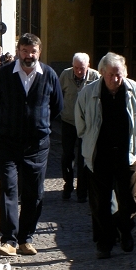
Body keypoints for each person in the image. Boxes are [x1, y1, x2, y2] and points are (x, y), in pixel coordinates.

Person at [0, 33, 63, 257]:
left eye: (33, 52)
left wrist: (40, 123)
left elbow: (57, 105)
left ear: (39, 52)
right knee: (8, 189)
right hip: (8, 142)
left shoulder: (48, 74)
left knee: (34, 192)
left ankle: (26, 238)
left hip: (37, 144)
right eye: (25, 51)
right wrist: (0, 128)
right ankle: (8, 239)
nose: (29, 56)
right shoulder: (4, 74)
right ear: (18, 51)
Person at [75, 52, 136, 259]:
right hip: (99, 153)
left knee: (131, 199)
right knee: (100, 202)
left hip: (128, 153)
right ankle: (104, 242)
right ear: (102, 73)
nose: (115, 79)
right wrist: (87, 138)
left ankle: (124, 229)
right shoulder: (89, 93)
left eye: (119, 75)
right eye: (111, 75)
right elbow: (80, 120)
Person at [58, 53, 100, 202]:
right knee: (67, 156)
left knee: (84, 157)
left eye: (82, 68)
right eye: (76, 68)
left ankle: (82, 190)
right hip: (68, 121)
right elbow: (58, 94)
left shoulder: (95, 77)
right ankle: (68, 185)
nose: (78, 71)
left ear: (88, 66)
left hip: (87, 123)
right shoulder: (65, 74)